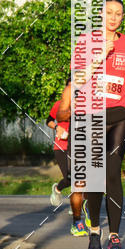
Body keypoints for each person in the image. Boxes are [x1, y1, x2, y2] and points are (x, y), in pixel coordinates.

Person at [70, 0, 125, 249]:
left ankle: (115, 236)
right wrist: (100, 55)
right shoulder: (86, 41)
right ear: (100, 14)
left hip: (121, 113)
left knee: (112, 170)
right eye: (109, 12)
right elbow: (78, 79)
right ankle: (95, 229)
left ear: (122, 17)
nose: (113, 17)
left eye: (118, 14)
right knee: (97, 176)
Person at [47, 77, 86, 234]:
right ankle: (57, 188)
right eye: (69, 86)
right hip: (61, 146)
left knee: (81, 177)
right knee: (70, 178)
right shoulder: (59, 104)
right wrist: (57, 127)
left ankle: (76, 208)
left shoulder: (85, 104)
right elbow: (48, 120)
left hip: (78, 146)